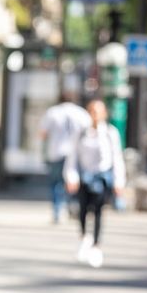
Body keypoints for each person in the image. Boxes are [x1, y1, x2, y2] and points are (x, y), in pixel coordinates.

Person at [64, 98, 126, 268]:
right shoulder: (81, 133)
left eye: (98, 112)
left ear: (104, 114)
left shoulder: (110, 133)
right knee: (83, 209)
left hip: (102, 178)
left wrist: (119, 181)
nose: (95, 115)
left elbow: (117, 158)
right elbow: (73, 157)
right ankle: (85, 237)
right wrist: (71, 177)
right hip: (84, 177)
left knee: (98, 211)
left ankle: (96, 245)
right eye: (92, 111)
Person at [39, 92, 91, 223]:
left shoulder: (52, 112)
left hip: (56, 151)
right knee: (73, 181)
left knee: (56, 183)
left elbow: (43, 133)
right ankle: (72, 207)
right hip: (75, 152)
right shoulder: (81, 113)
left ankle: (57, 211)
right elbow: (90, 131)